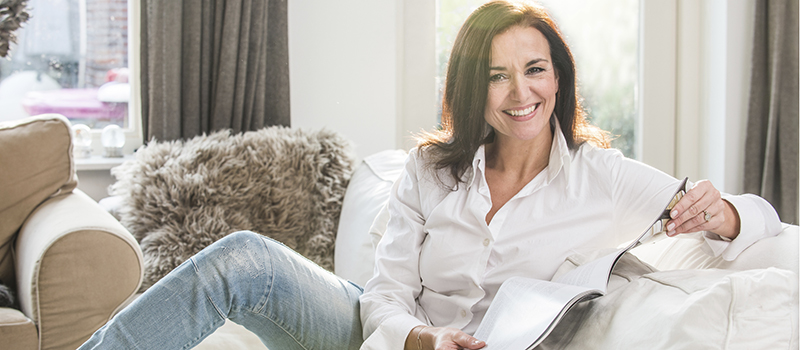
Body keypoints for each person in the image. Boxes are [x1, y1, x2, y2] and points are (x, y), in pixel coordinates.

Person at [78, 1, 782, 349]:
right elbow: (382, 293)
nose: (520, 94)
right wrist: (421, 338)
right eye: (497, 76)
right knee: (242, 259)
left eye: (536, 70)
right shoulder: (430, 168)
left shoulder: (603, 176)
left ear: (559, 80)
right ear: (472, 88)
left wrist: (724, 214)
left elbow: (754, 223)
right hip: (382, 336)